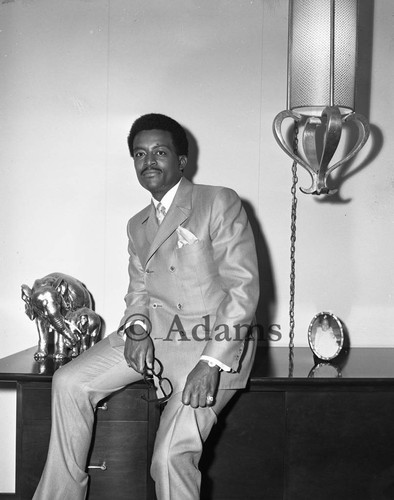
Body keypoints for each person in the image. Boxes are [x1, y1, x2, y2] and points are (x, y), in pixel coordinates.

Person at [33, 113, 259, 500]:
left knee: (170, 455)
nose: (148, 161)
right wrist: (136, 328)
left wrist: (210, 364)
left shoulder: (218, 201)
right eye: (140, 154)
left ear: (182, 160)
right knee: (69, 382)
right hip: (153, 333)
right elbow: (138, 291)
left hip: (211, 346)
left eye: (159, 152)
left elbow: (243, 289)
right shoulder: (136, 224)